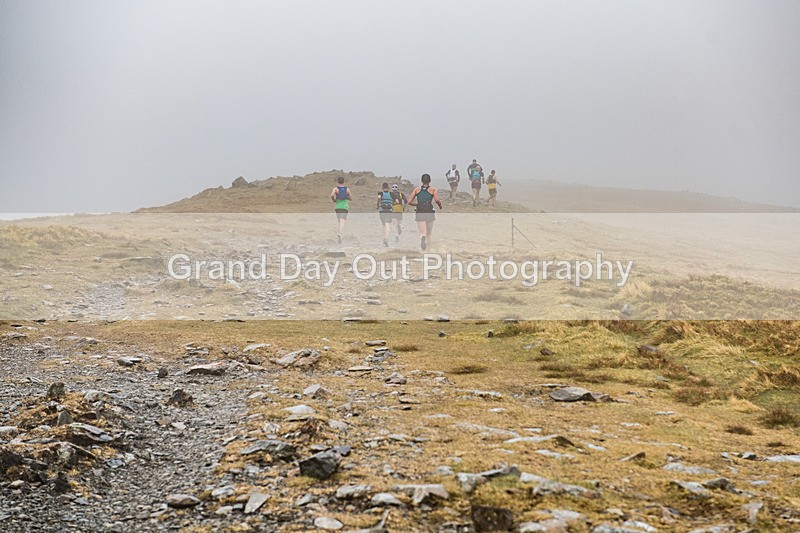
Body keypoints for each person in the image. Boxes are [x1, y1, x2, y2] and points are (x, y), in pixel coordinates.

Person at [407, 173, 443, 251]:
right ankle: (428, 251)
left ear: (421, 181)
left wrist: (417, 204)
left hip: (420, 211)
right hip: (429, 211)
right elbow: (437, 200)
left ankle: (422, 237)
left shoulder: (416, 190)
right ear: (430, 181)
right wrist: (440, 206)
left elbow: (409, 202)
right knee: (429, 234)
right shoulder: (433, 190)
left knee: (422, 233)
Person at [330, 176, 351, 243]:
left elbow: (332, 195)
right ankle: (340, 233)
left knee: (339, 221)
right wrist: (347, 197)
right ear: (343, 181)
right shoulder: (347, 189)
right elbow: (351, 198)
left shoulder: (335, 189)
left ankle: (340, 236)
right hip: (344, 207)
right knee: (342, 221)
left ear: (338, 181)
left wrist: (334, 200)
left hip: (338, 207)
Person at [376, 182, 395, 247]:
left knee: (383, 225)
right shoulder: (391, 194)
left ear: (382, 187)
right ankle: (386, 238)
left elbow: (379, 198)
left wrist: (378, 205)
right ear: (388, 188)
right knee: (388, 224)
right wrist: (391, 204)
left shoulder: (380, 193)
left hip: (382, 210)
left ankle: (384, 238)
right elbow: (397, 201)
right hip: (389, 210)